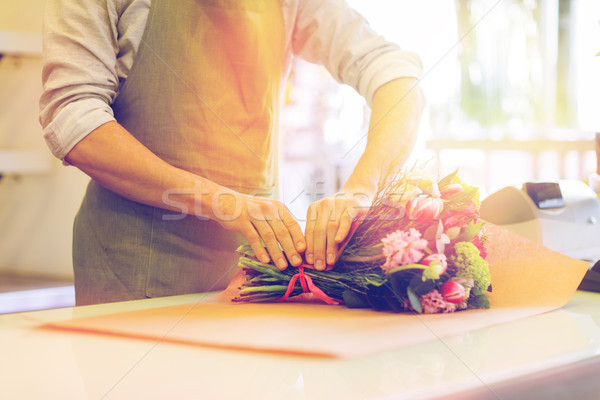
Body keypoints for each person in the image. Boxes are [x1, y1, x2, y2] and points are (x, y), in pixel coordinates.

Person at [39, 0, 425, 306]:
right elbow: (74, 120)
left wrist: (360, 190)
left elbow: (396, 77)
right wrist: (224, 202)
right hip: (133, 265)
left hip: (259, 272)